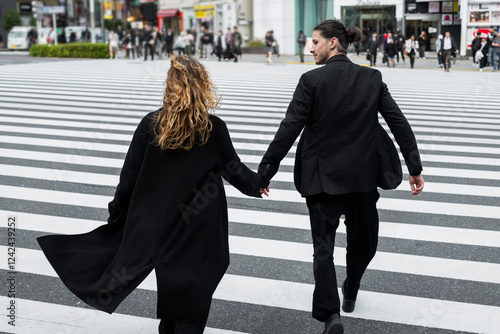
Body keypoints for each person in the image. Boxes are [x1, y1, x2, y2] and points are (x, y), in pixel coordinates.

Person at [37, 55, 268, 334]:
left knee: (173, 289)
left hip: (159, 225)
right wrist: (258, 183)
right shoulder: (212, 128)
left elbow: (129, 179)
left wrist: (117, 215)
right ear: (202, 86)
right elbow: (234, 169)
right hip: (200, 227)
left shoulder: (151, 124)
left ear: (170, 86)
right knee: (193, 294)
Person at [257, 19, 424, 334]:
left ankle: (330, 314)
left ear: (333, 43)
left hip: (321, 180)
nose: (311, 48)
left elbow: (289, 126)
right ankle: (352, 285)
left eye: (315, 42)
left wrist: (266, 170)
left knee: (323, 248)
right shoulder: (371, 78)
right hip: (362, 180)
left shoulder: (311, 81)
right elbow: (398, 122)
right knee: (364, 242)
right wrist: (414, 167)